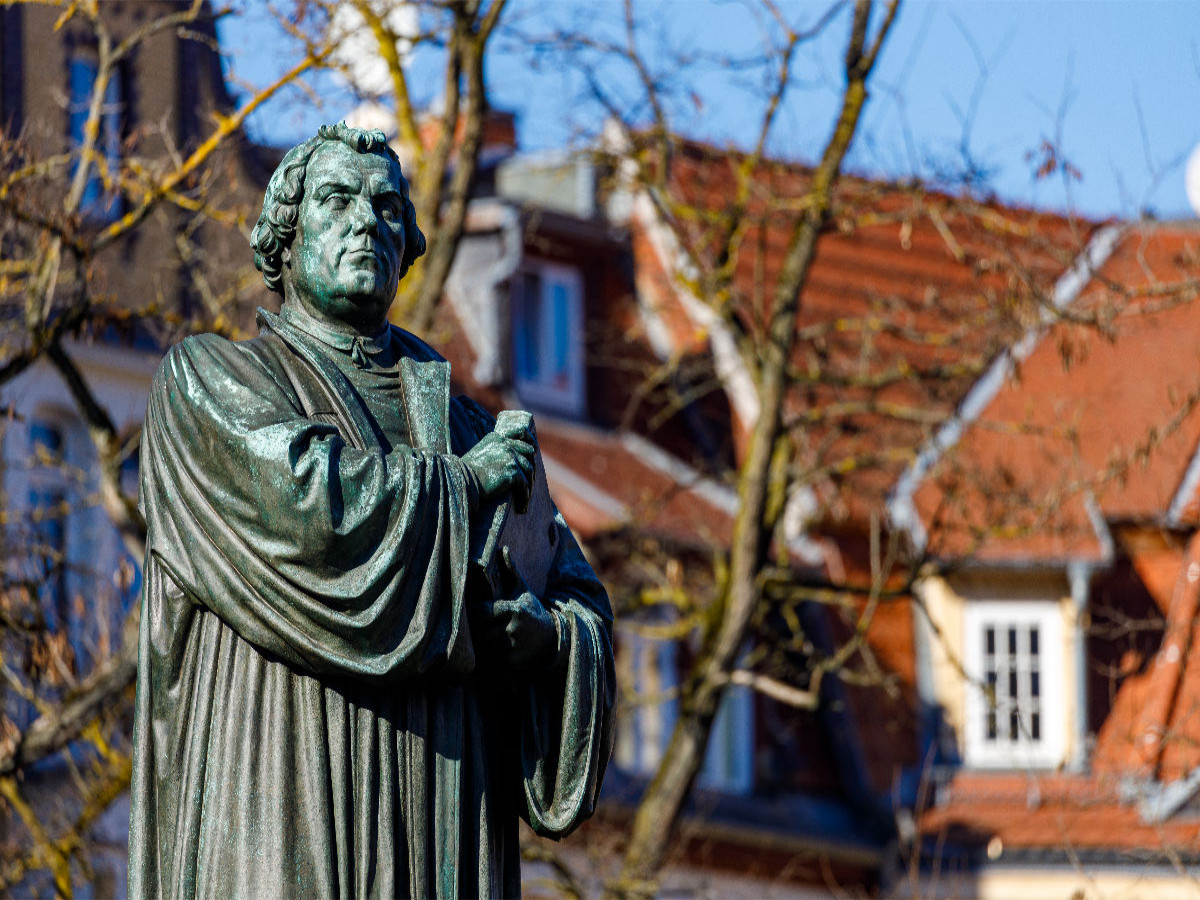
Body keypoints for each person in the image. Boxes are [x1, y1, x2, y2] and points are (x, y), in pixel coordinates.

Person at [128, 123, 615, 899]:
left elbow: (574, 592)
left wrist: (547, 641)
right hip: (281, 795)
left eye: (388, 208)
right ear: (284, 242)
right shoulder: (210, 385)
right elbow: (310, 510)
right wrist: (463, 490)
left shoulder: (469, 429)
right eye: (337, 200)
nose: (367, 221)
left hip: (441, 815)